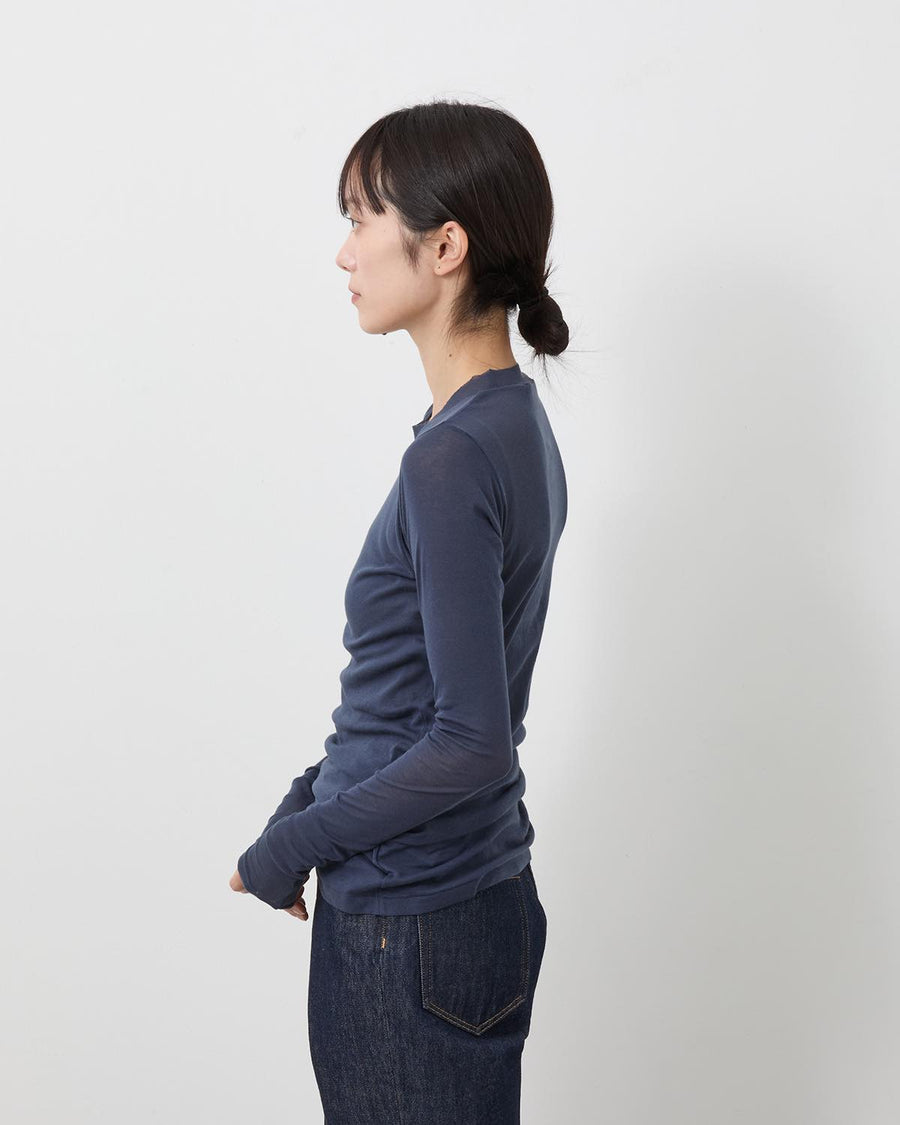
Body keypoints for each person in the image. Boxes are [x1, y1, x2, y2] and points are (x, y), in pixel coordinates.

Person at [230, 98, 570, 1123]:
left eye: (362, 219)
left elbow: (469, 740)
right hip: (470, 902)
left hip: (408, 924)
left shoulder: (451, 456)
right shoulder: (509, 425)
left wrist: (296, 843)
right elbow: (415, 695)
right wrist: (309, 794)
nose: (345, 252)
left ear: (446, 246)